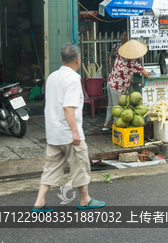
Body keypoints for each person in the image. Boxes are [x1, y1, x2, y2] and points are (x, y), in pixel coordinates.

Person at [32, 43, 105, 212]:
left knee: (51, 167)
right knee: (80, 165)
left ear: (61, 59)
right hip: (68, 133)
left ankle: (39, 201)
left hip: (53, 133)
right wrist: (75, 131)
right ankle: (85, 199)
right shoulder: (73, 78)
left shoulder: (52, 76)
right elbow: (68, 107)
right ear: (78, 60)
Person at [105, 39, 153, 130]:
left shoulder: (120, 56)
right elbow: (145, 73)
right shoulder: (133, 63)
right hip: (117, 88)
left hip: (110, 82)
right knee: (118, 110)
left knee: (111, 106)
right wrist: (150, 73)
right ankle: (117, 128)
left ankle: (107, 123)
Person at [103, 30, 129, 130]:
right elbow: (110, 56)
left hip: (118, 78)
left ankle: (108, 123)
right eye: (122, 34)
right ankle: (115, 124)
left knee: (112, 102)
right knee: (115, 103)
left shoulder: (129, 48)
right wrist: (110, 65)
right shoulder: (116, 46)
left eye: (126, 35)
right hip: (117, 78)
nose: (124, 37)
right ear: (120, 36)